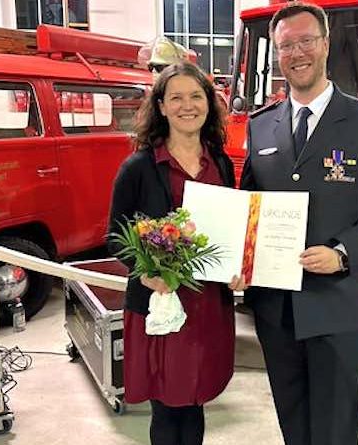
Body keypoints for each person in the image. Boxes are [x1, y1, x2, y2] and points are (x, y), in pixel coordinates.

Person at [239, 3, 358, 445]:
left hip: (337, 309)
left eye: (306, 40)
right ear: (277, 54)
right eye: (286, 45)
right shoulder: (261, 126)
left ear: (326, 44)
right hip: (277, 312)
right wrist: (240, 258)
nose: (297, 53)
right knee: (294, 425)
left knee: (334, 430)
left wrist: (343, 254)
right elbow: (248, 210)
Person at [107, 62, 247, 445]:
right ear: (162, 107)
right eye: (177, 98)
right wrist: (145, 271)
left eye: (196, 96)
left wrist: (239, 265)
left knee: (197, 401)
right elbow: (115, 236)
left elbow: (231, 227)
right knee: (168, 408)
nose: (188, 106)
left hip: (209, 305)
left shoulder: (219, 162)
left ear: (209, 104)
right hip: (162, 305)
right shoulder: (137, 167)